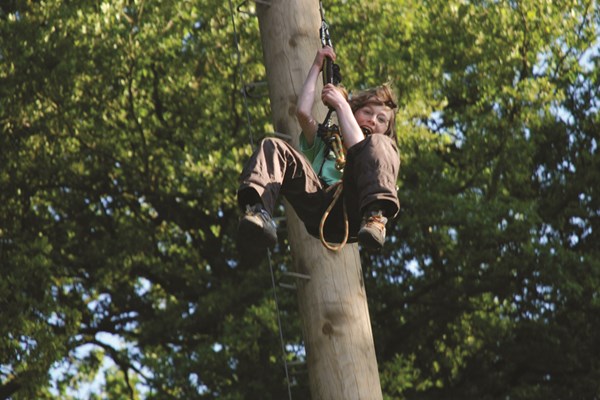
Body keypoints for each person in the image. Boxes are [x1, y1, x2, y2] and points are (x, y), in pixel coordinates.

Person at [236, 46, 400, 266]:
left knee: (376, 145)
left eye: (381, 120)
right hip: (318, 201)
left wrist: (341, 104)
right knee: (274, 147)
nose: (373, 120)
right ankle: (258, 211)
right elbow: (303, 113)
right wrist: (316, 66)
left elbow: (359, 148)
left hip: (352, 207)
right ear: (355, 112)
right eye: (368, 113)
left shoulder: (378, 149)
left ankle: (376, 216)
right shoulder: (329, 140)